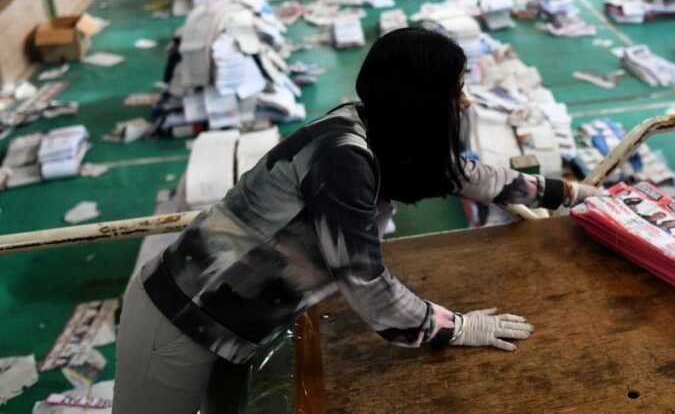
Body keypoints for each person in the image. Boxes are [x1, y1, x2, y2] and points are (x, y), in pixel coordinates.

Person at [112, 29, 603, 413]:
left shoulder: (381, 129)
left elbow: (461, 174)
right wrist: (457, 328)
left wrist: (570, 193)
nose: (466, 101)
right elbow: (368, 286)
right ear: (421, 99)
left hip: (233, 326)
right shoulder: (343, 159)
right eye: (456, 89)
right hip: (178, 320)